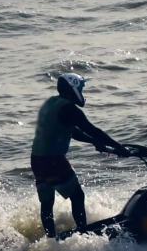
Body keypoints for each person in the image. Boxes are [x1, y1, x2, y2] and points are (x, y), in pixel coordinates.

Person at [31, 73, 130, 238]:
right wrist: (119, 148)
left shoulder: (50, 103)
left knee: (47, 204)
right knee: (77, 196)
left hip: (37, 160)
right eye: (81, 88)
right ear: (73, 88)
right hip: (53, 161)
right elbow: (92, 129)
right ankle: (84, 233)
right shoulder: (69, 108)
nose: (82, 91)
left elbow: (72, 131)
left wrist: (94, 142)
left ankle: (51, 240)